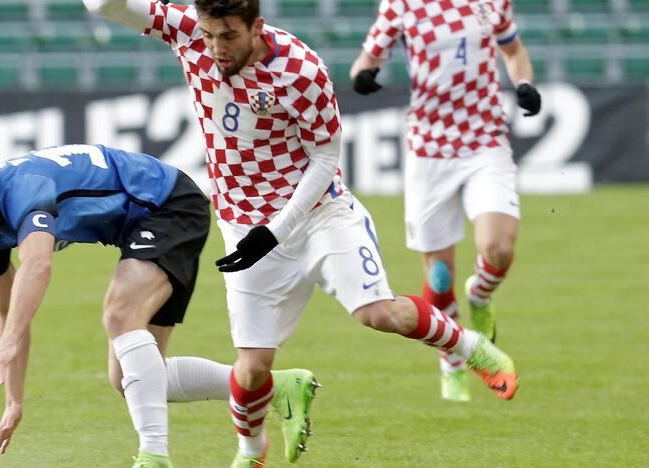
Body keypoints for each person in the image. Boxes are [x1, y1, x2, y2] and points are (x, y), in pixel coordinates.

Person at [85, 0, 520, 466]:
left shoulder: (301, 69)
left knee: (377, 313)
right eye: (210, 35)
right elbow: (104, 6)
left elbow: (325, 158)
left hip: (319, 216)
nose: (216, 48)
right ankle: (251, 452)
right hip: (244, 227)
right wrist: (262, 234)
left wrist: (276, 230)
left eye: (228, 36)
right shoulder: (189, 32)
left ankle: (473, 349)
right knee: (252, 370)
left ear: (256, 25)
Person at [0, 144, 313, 468]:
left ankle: (153, 456)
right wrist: (14, 401)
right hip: (138, 227)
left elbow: (37, 264)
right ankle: (273, 386)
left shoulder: (25, 188)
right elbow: (8, 312)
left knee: (119, 313)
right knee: (128, 378)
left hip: (168, 204)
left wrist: (9, 342)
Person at [349, 0, 541, 402]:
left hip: (485, 140)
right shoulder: (401, 5)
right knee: (438, 279)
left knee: (498, 249)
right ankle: (453, 363)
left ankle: (480, 296)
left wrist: (524, 84)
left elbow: (513, 50)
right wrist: (364, 75)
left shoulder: (492, 3)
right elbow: (367, 58)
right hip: (429, 148)